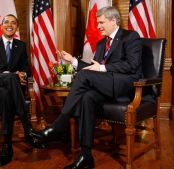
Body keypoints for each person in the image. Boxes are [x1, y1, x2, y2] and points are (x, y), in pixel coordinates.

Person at [32, 6, 142, 169]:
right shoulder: (100, 44)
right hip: (105, 85)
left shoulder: (130, 37)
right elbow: (93, 68)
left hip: (123, 86)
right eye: (97, 23)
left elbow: (132, 65)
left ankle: (58, 125)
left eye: (101, 22)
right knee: (86, 97)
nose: (98, 26)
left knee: (84, 78)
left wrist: (103, 68)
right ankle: (86, 155)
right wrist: (74, 62)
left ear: (113, 21)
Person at [0, 14, 47, 166]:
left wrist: (23, 73)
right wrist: (9, 75)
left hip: (8, 89)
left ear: (17, 28)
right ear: (1, 26)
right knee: (10, 78)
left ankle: (7, 146)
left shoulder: (20, 46)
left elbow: (26, 67)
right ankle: (27, 127)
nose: (10, 25)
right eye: (6, 22)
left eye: (13, 23)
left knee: (5, 93)